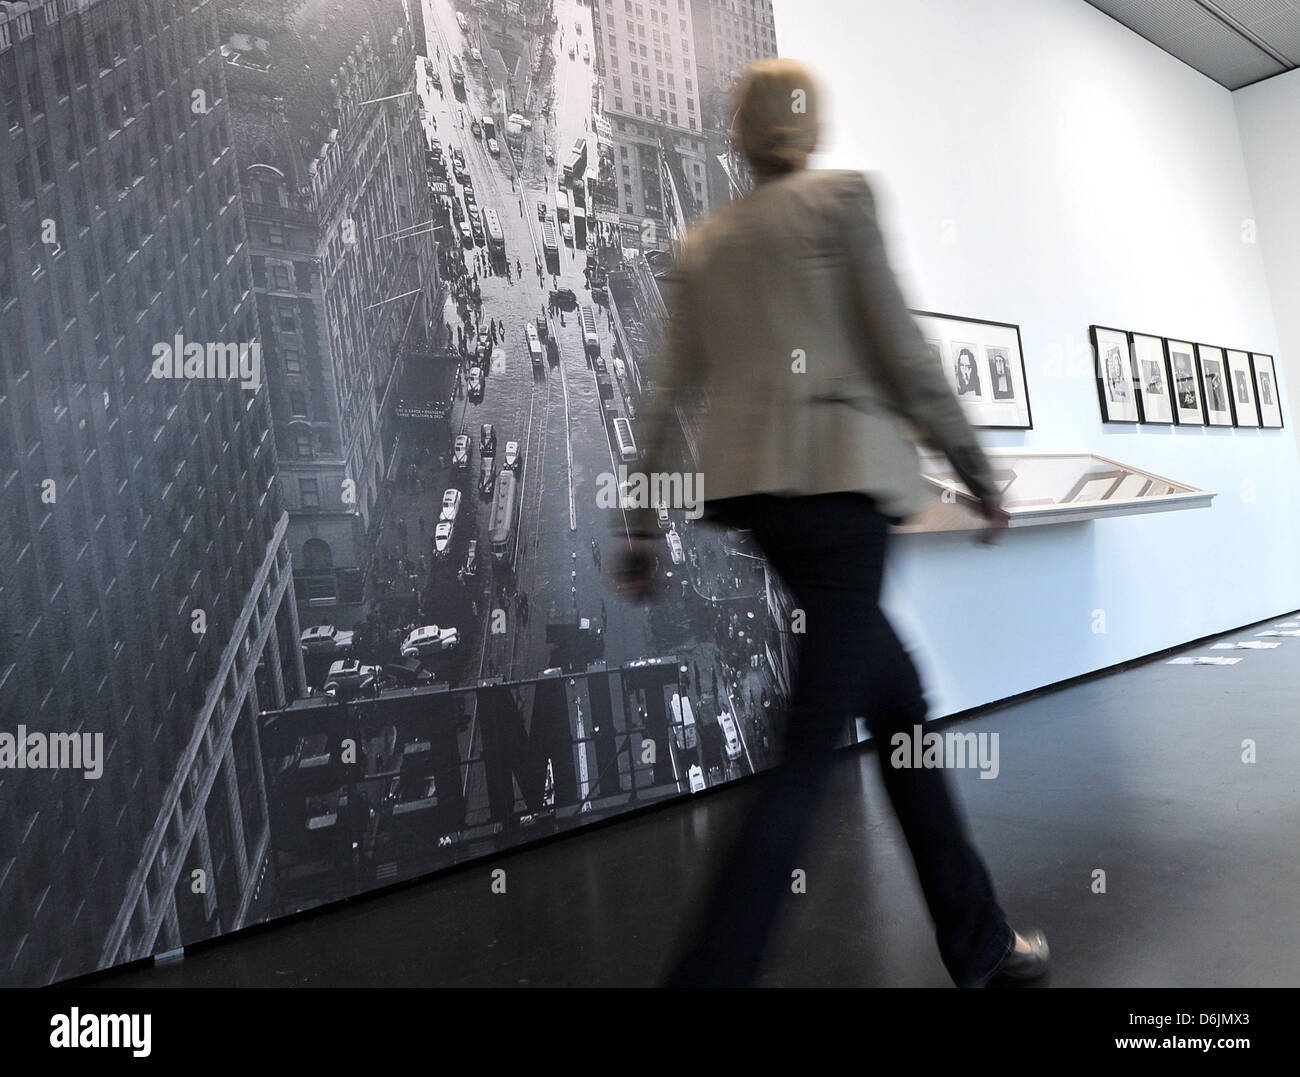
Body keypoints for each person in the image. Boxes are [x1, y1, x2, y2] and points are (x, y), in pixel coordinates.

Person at [610, 58, 1047, 989]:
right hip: (845, 496)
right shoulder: (843, 202)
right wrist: (975, 469)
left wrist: (643, 517)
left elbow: (666, 392)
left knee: (899, 709)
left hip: (765, 504)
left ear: (737, 133)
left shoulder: (707, 243)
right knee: (811, 749)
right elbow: (904, 352)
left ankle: (979, 938)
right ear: (808, 129)